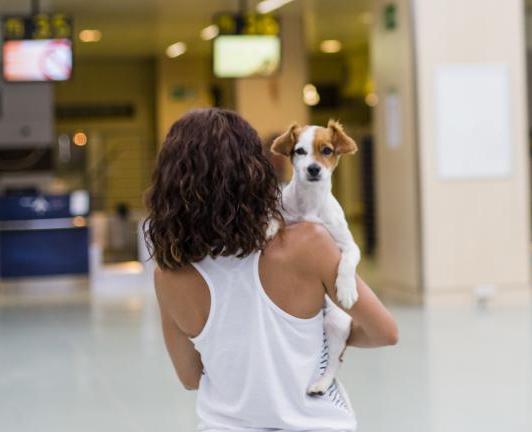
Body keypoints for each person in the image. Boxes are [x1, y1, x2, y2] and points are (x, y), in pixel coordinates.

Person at [146, 108, 398, 432]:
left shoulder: (167, 276)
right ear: (253, 173)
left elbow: (190, 377)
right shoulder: (310, 243)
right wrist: (324, 340)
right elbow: (385, 332)